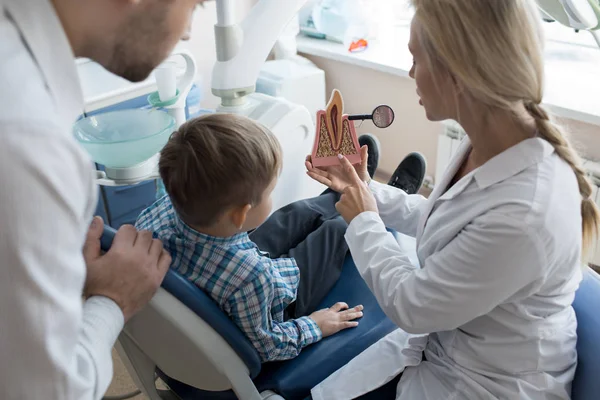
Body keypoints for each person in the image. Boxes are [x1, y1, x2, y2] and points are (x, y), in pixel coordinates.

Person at [307, 0, 600, 399]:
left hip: (487, 385)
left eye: (415, 58)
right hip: (448, 345)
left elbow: (412, 306)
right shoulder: (488, 140)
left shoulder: (526, 213)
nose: (410, 73)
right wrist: (363, 188)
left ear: (459, 72)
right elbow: (445, 219)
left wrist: (365, 220)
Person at [0, 0, 206, 398]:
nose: (186, 33)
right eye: (195, 6)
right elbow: (50, 391)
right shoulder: (27, 141)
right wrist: (113, 299)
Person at [135, 113, 365, 362]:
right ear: (241, 214)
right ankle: (366, 207)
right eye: (270, 191)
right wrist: (314, 325)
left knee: (300, 212)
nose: (272, 195)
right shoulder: (251, 278)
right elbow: (267, 345)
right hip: (277, 303)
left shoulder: (160, 211)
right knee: (338, 230)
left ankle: (346, 191)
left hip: (220, 257)